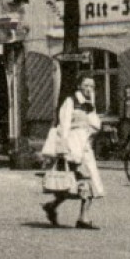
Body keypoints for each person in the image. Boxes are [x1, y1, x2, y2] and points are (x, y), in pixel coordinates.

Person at [43, 76, 106, 229]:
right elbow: (63, 125)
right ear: (79, 86)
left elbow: (96, 125)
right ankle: (75, 215)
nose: (89, 88)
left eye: (92, 86)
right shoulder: (70, 101)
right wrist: (64, 148)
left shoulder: (90, 105)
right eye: (86, 85)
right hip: (72, 148)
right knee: (74, 182)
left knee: (85, 182)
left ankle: (58, 208)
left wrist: (91, 126)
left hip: (85, 148)